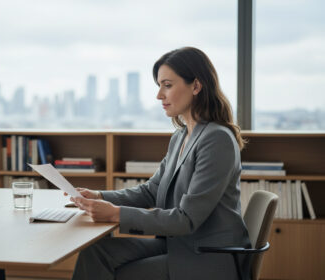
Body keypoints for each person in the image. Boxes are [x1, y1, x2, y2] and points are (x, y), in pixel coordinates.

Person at [68, 47, 251, 280]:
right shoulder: (181, 136)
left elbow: (186, 219)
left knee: (121, 274)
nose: (159, 95)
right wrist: (100, 197)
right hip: (178, 246)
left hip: (206, 257)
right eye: (159, 86)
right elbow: (152, 191)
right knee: (96, 252)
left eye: (167, 85)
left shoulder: (217, 139)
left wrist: (116, 214)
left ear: (196, 86)